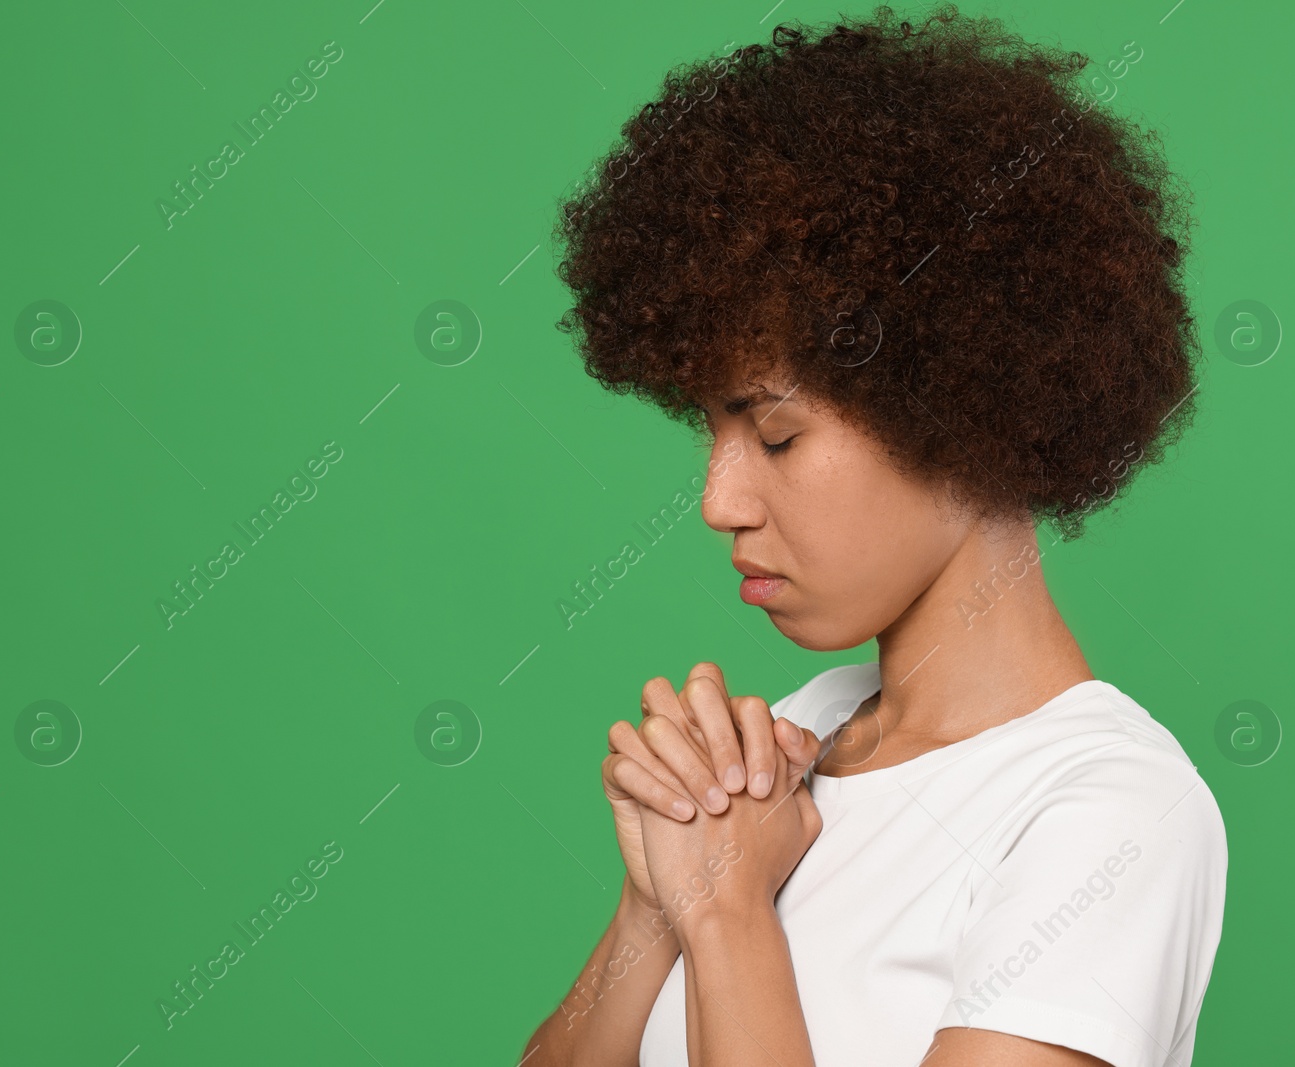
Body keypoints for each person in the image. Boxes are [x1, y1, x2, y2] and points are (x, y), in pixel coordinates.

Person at [523, 5, 1225, 1065]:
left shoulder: (1106, 813)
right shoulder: (792, 745)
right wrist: (652, 902)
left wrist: (725, 916)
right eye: (710, 430)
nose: (719, 500)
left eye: (776, 434)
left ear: (962, 405)